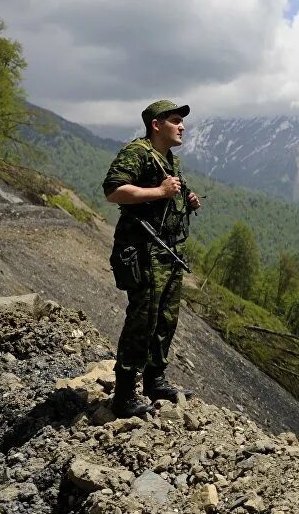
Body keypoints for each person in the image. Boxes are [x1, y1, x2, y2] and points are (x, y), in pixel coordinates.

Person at [102, 99, 202, 418]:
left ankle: (155, 380)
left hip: (167, 252)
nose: (182, 126)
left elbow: (173, 188)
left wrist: (186, 197)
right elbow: (113, 191)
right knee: (142, 319)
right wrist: (160, 193)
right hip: (142, 251)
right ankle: (124, 394)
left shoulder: (168, 158)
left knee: (165, 318)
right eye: (175, 121)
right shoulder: (138, 152)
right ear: (156, 125)